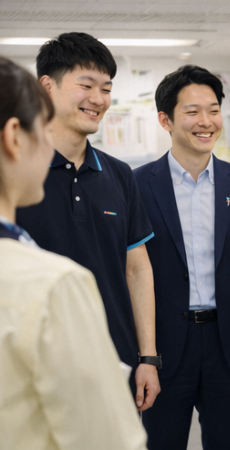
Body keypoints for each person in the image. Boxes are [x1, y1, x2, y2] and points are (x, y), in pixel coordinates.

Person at [0, 56, 148, 450]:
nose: (98, 98)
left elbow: (137, 268)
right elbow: (106, 437)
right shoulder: (54, 284)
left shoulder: (119, 175)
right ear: (15, 137)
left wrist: (147, 356)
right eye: (39, 129)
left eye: (106, 88)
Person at [134, 65, 230, 450]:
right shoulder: (136, 185)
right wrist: (146, 355)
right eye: (192, 111)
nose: (206, 121)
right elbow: (132, 271)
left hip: (229, 344)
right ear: (165, 120)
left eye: (214, 110)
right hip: (165, 346)